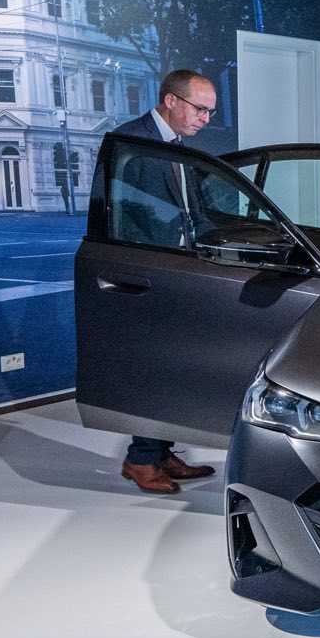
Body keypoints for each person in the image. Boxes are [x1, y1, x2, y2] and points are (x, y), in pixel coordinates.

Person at [110, 69, 220, 495]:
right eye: (200, 109)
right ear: (171, 100)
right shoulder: (130, 142)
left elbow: (193, 211)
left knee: (174, 367)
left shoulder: (177, 146)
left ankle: (160, 451)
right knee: (152, 369)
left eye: (210, 112)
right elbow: (121, 212)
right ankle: (140, 460)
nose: (205, 119)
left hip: (180, 271)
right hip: (149, 275)